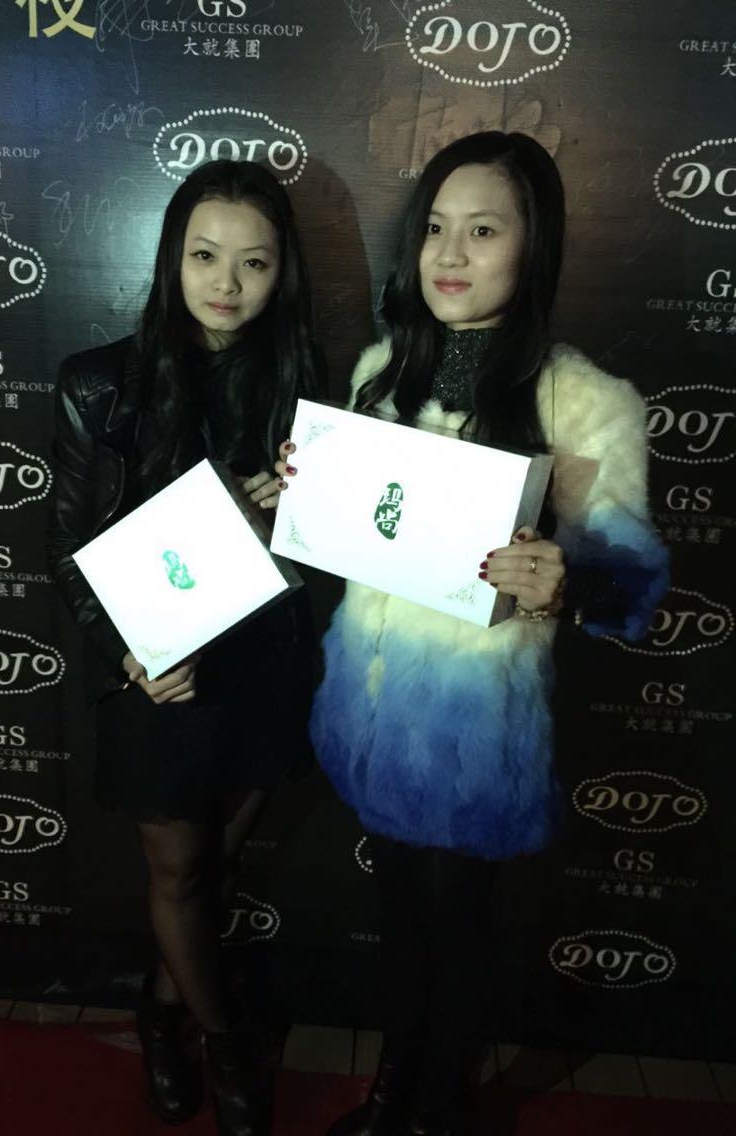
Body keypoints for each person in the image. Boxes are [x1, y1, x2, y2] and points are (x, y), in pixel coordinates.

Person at [277, 132, 668, 1135]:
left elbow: (630, 584)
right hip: (370, 708)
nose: (450, 253)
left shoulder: (586, 403)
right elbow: (356, 537)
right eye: (436, 229)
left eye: (483, 230)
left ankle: (438, 1106)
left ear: (533, 247)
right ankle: (393, 1089)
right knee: (401, 921)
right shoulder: (381, 371)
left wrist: (564, 579)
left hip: (472, 731)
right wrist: (303, 491)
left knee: (458, 933)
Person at [46, 159, 321, 1136]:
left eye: (254, 261)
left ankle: (162, 1015)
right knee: (178, 873)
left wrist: (295, 513)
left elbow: (330, 555)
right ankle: (228, 1042)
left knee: (218, 869)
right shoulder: (98, 383)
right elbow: (67, 549)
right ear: (172, 257)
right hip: (160, 675)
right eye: (206, 255)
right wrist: (128, 653)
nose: (227, 283)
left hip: (264, 667)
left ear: (282, 270)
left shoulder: (306, 388)